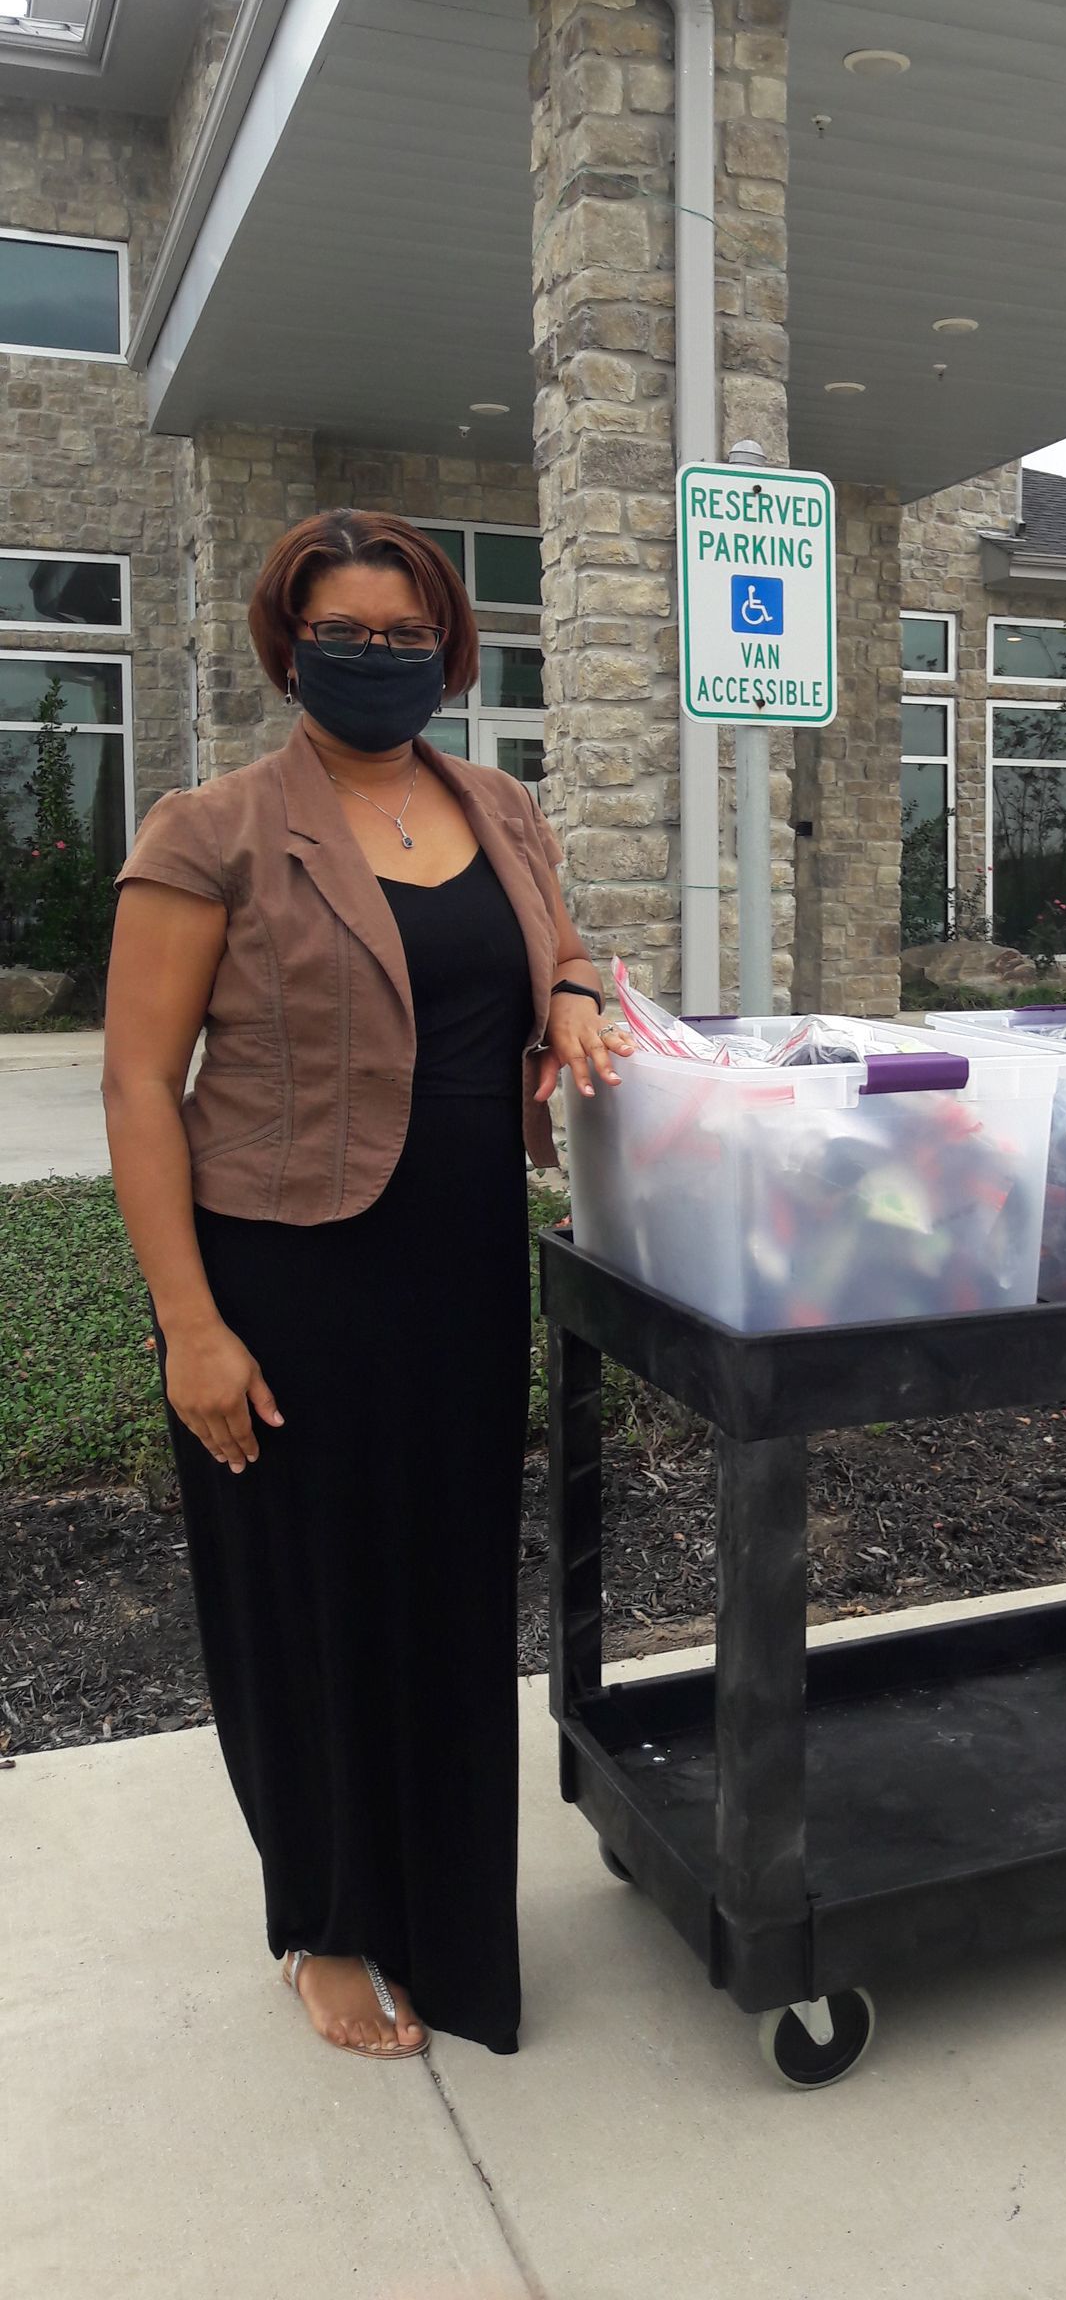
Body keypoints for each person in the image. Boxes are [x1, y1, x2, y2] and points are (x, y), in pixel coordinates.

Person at [103, 511, 631, 2057]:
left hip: (460, 1258)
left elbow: (557, 950)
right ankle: (325, 1921)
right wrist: (191, 1328)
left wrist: (577, 993)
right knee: (306, 1601)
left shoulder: (501, 807)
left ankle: (449, 1921)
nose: (377, 658)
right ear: (289, 646)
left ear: (449, 650)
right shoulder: (212, 831)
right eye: (343, 632)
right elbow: (138, 1085)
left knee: (448, 1590)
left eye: (407, 637)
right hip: (287, 1274)